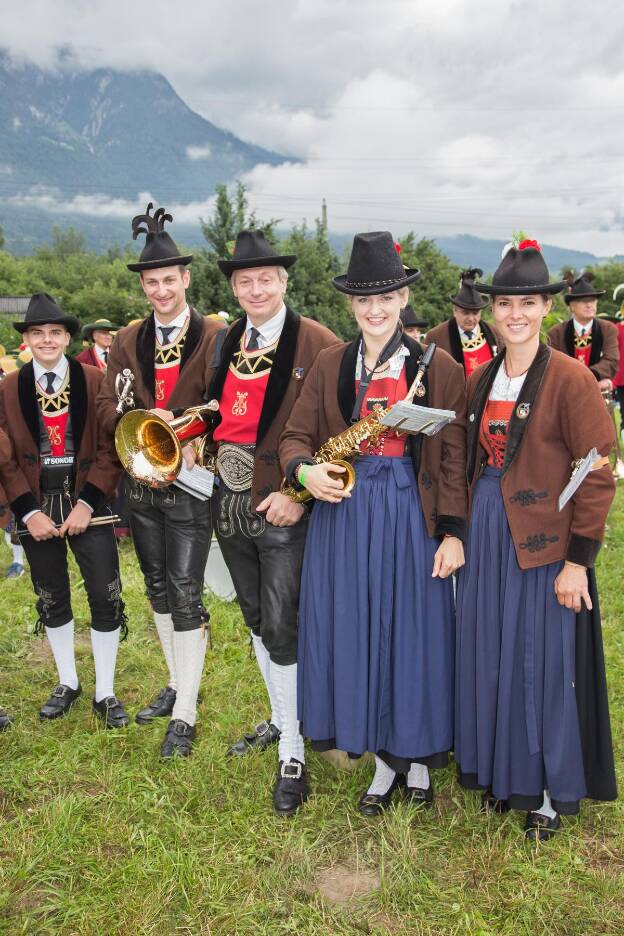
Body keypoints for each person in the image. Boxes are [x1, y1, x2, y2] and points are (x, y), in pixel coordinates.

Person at [279, 231, 467, 815]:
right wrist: (305, 473)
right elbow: (294, 437)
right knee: (359, 631)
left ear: (404, 297)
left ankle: (417, 761)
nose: (376, 308)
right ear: (350, 305)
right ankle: (384, 766)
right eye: (365, 299)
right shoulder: (332, 362)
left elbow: (456, 456)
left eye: (387, 296)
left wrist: (454, 531)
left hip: (411, 511)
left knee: (411, 633)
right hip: (346, 512)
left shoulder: (438, 367)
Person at [455, 241, 617, 841]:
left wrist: (578, 562)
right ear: (492, 311)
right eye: (505, 304)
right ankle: (508, 776)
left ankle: (549, 789)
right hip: (488, 532)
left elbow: (597, 470)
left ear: (546, 308)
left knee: (541, 664)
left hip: (545, 539)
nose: (515, 314)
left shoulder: (571, 378)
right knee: (493, 655)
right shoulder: (481, 379)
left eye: (527, 303)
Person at [199, 229, 339, 815]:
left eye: (266, 279)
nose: (255, 289)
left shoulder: (318, 341)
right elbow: (220, 411)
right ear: (234, 286)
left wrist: (298, 495)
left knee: (284, 625)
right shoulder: (228, 336)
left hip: (281, 501)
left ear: (284, 282)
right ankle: (284, 719)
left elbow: (340, 430)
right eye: (244, 281)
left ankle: (293, 747)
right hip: (226, 500)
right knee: (256, 620)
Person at [97, 203, 224, 758]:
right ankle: (177, 685)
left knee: (187, 591)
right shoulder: (126, 340)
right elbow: (106, 402)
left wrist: (198, 429)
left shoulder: (217, 334)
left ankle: (189, 713)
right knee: (155, 588)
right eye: (152, 282)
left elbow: (232, 406)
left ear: (186, 279)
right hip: (142, 480)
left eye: (169, 280)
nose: (160, 291)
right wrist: (131, 427)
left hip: (191, 480)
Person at [0, 294, 129, 727]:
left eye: (54, 332)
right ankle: (68, 681)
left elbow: (112, 448)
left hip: (87, 503)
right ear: (27, 340)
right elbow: (4, 459)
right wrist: (27, 512)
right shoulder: (8, 387)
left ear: (68, 337)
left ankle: (105, 691)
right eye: (37, 333)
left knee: (104, 595)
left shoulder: (94, 380)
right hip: (36, 507)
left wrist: (88, 503)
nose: (46, 340)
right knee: (51, 596)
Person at [547, 272, 619, 395]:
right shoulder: (556, 333)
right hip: (566, 393)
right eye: (583, 300)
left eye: (592, 300)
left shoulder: (608, 329)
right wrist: (579, 380)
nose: (589, 305)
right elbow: (552, 364)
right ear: (571, 306)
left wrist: (588, 378)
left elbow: (611, 360)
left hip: (598, 393)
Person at [425, 268, 502, 376]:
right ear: (455, 311)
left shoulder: (495, 333)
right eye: (465, 313)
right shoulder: (435, 337)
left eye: (475, 313)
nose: (470, 318)